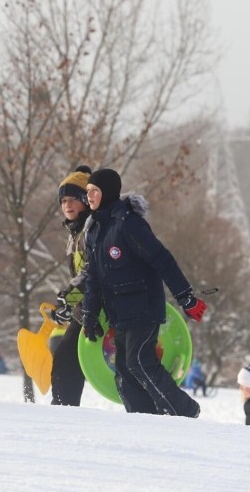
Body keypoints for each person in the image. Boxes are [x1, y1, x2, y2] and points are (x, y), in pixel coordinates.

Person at [81, 168, 207, 418]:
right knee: (125, 370)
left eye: (94, 191)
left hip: (144, 306)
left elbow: (162, 260)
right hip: (119, 312)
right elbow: (93, 277)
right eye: (87, 192)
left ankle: (185, 411)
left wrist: (186, 298)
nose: (90, 197)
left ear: (107, 192)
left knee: (139, 361)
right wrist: (90, 313)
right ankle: (144, 419)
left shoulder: (128, 224)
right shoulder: (95, 230)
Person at [48, 165, 92, 406]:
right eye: (63, 200)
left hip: (101, 308)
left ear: (86, 199)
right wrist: (65, 304)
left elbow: (91, 272)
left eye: (74, 198)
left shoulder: (91, 229)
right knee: (65, 359)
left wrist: (69, 299)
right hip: (83, 309)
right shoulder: (74, 233)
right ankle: (63, 411)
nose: (67, 205)